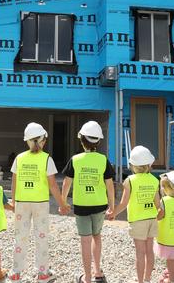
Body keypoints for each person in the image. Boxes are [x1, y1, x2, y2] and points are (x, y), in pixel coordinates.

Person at [9, 122, 68, 283]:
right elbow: (53, 185)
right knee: (41, 237)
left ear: (27, 141)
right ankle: (42, 273)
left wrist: (13, 201)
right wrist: (62, 204)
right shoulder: (47, 159)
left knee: (20, 237)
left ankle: (15, 273)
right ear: (43, 141)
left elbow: (14, 182)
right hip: (40, 204)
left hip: (22, 202)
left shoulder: (19, 158)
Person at [60, 121, 115, 283]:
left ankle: (87, 277)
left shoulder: (75, 159)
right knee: (97, 236)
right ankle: (98, 272)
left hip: (81, 206)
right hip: (99, 205)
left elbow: (66, 183)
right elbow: (110, 185)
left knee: (85, 239)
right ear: (98, 141)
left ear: (81, 140)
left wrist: (63, 203)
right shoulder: (103, 160)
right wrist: (112, 207)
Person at [109, 146, 164, 283]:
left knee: (140, 253)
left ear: (132, 165)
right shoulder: (154, 180)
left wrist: (113, 213)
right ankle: (147, 279)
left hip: (138, 221)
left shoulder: (130, 180)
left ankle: (140, 281)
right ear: (149, 164)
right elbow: (158, 204)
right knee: (149, 251)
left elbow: (123, 203)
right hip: (152, 219)